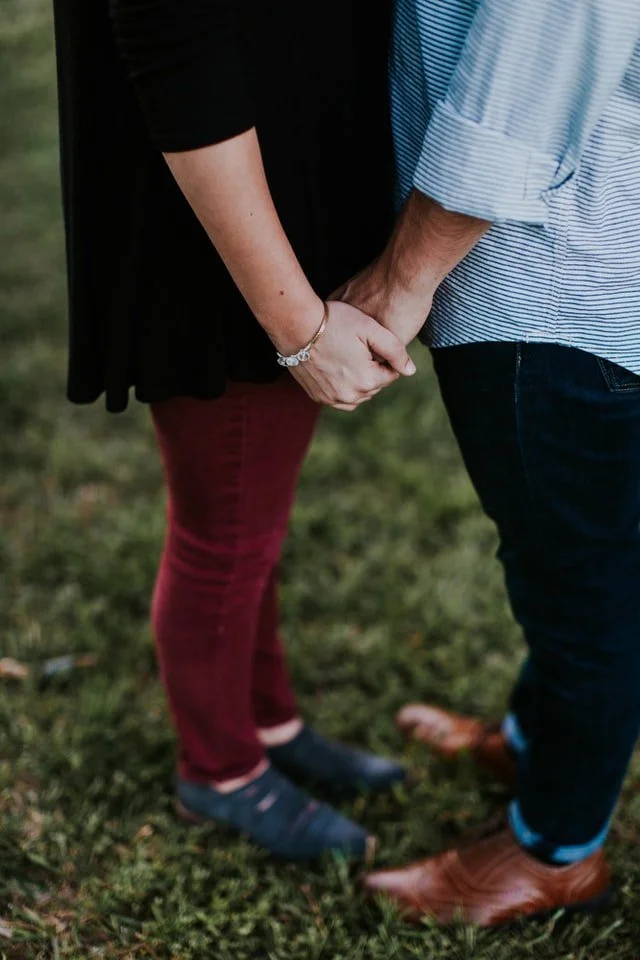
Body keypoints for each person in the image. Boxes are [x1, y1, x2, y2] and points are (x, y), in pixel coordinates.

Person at [51, 0, 413, 863]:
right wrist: (299, 329)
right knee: (225, 532)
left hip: (276, 190)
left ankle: (269, 721)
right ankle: (218, 771)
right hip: (220, 229)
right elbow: (175, 45)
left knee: (251, 515)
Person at [338, 0, 640, 927]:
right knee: (575, 552)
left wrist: (405, 275)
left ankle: (556, 849)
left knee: (579, 579)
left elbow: (535, 55)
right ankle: (533, 736)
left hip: (550, 279)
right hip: (584, 243)